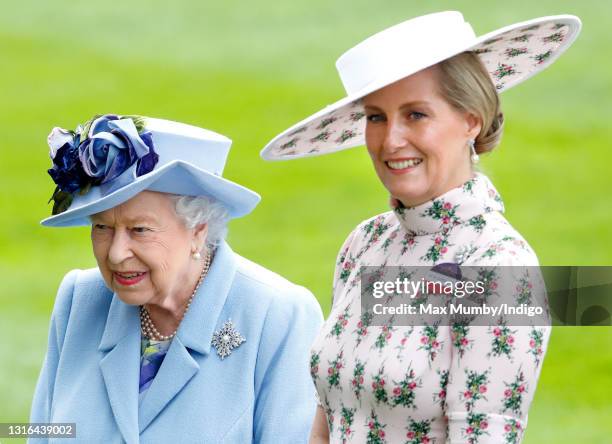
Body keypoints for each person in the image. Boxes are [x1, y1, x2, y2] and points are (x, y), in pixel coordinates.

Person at [261, 11, 581, 443]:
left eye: (415, 115)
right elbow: (327, 420)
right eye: (376, 117)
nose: (390, 140)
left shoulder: (497, 265)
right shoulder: (365, 242)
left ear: (471, 120)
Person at [30, 114, 323, 443]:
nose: (115, 253)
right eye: (102, 227)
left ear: (198, 230)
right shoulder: (78, 299)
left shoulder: (278, 316)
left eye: (139, 230)